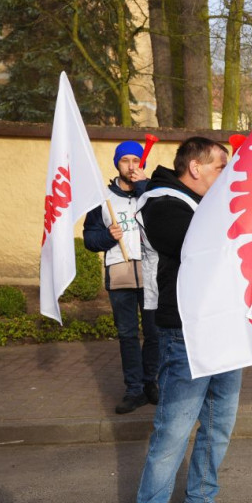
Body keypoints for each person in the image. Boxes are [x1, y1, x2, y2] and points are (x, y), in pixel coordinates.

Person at [118, 137, 246, 503]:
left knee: (217, 424)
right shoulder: (164, 202)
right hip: (188, 333)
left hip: (224, 328)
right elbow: (196, 245)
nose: (226, 175)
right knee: (172, 432)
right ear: (194, 166)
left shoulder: (197, 201)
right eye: (220, 167)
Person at [83, 141, 159, 414]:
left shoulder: (151, 193)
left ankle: (152, 383)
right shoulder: (102, 198)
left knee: (154, 333)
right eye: (125, 160)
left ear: (142, 164)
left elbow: (164, 223)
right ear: (117, 164)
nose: (131, 165)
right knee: (127, 335)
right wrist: (107, 236)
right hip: (120, 273)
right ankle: (134, 389)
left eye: (136, 160)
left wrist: (144, 188)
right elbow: (90, 239)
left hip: (151, 274)